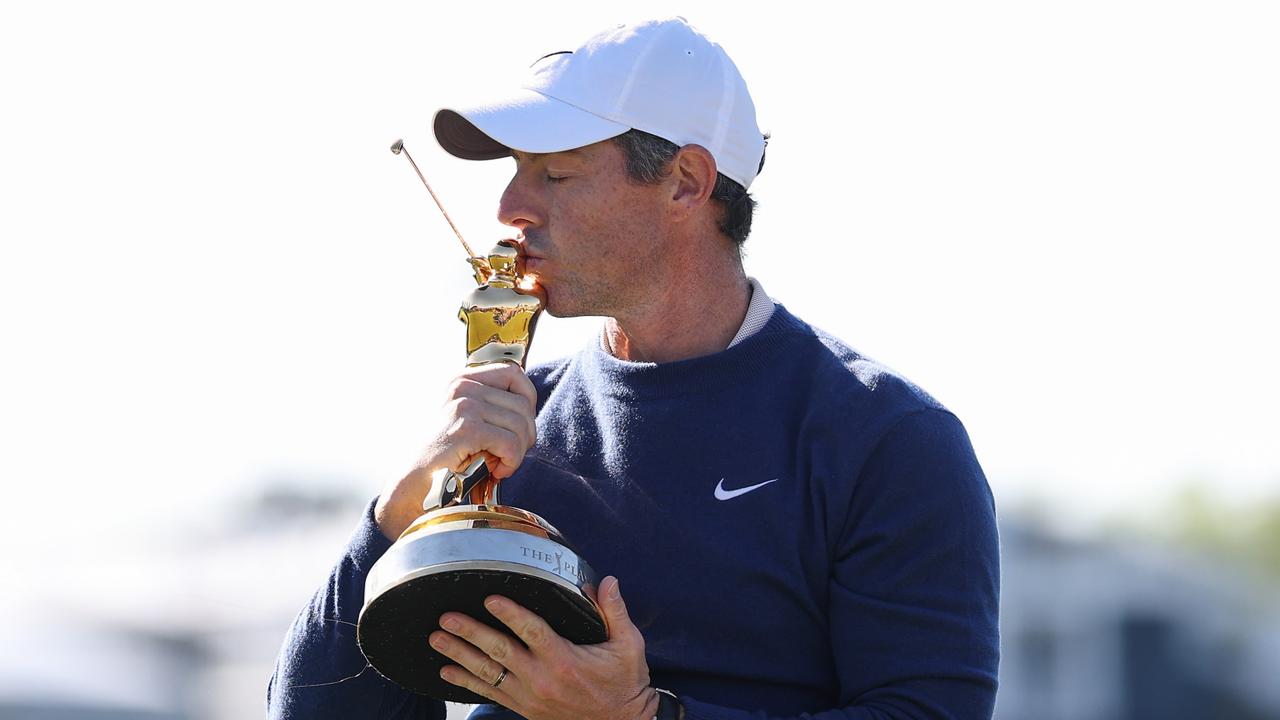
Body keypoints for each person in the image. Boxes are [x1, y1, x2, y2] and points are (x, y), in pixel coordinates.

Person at [268, 15, 1000, 720]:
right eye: (517, 172)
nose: (510, 208)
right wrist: (403, 509)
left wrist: (638, 718)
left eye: (554, 174)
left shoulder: (889, 439)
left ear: (686, 182)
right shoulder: (507, 429)